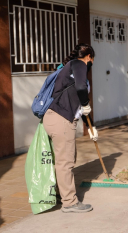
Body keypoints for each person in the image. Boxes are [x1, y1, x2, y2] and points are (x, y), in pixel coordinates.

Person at [43, 43, 98, 213]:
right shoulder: (79, 64)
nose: (92, 63)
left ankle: (61, 193)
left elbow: (75, 101)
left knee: (67, 158)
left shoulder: (69, 68)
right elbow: (81, 90)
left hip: (56, 118)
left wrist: (91, 127)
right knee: (65, 162)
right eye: (93, 59)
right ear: (89, 56)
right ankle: (69, 202)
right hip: (61, 120)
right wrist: (86, 103)